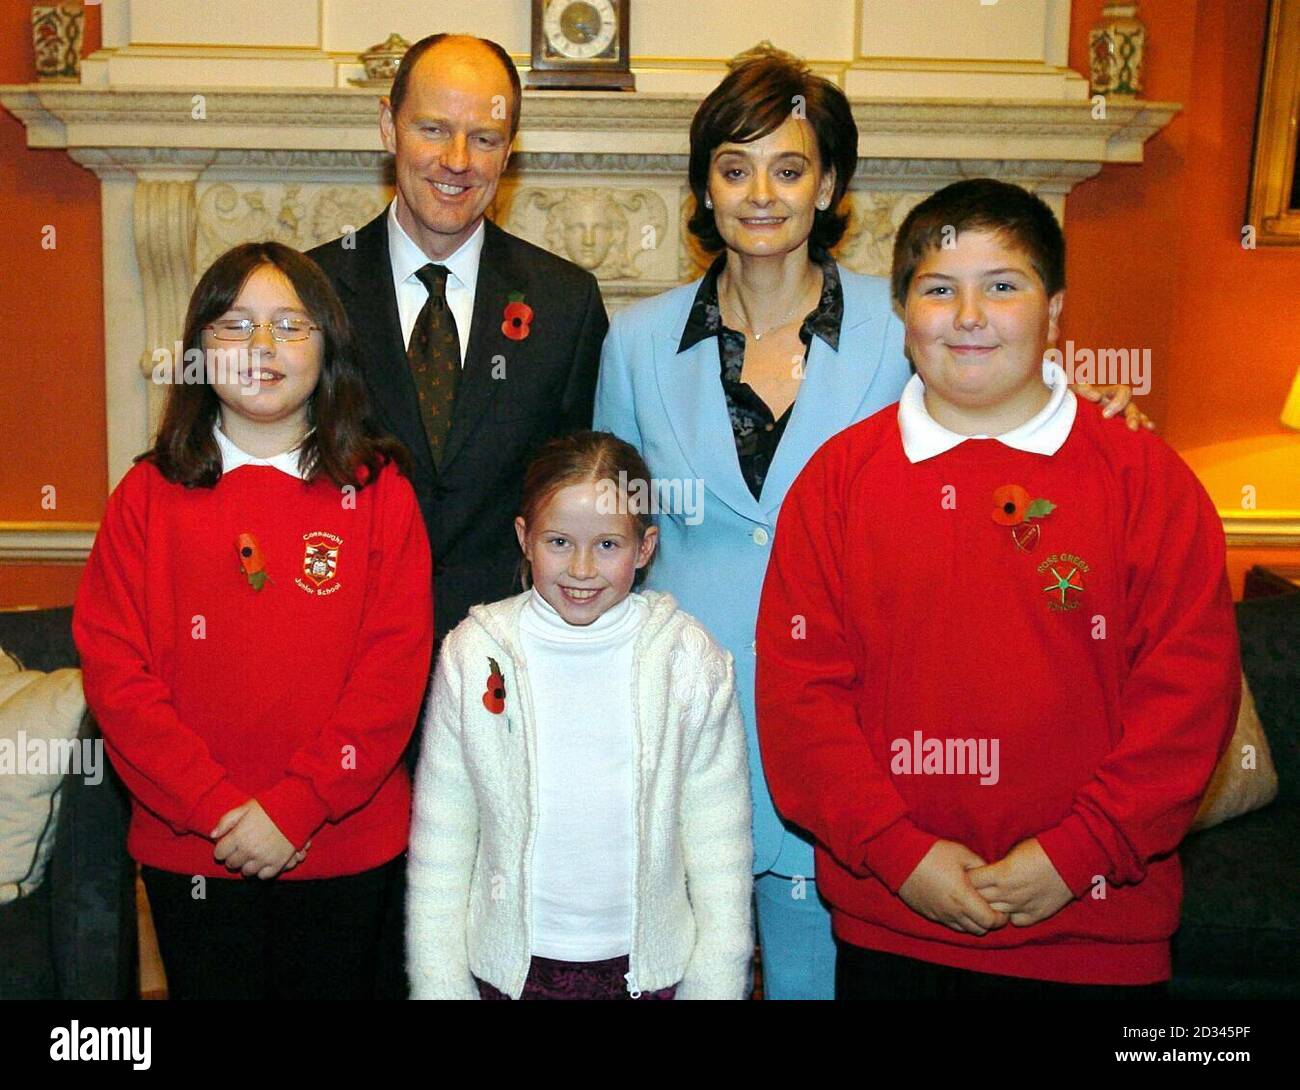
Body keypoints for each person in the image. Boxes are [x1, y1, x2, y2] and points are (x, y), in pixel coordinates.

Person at [593, 49, 1148, 999]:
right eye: (734, 168)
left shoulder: (914, 334)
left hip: (854, 750)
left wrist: (1103, 414)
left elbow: (1013, 423)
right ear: (704, 188)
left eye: (790, 167)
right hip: (682, 738)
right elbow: (613, 548)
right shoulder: (637, 343)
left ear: (831, 183)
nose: (761, 193)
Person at [755, 178, 1241, 999]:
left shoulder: (1146, 480)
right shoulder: (837, 482)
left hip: (1097, 935)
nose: (969, 316)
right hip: (892, 926)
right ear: (903, 316)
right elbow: (801, 698)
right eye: (939, 289)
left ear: (1054, 311)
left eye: (1002, 287)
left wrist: (1077, 854)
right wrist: (898, 853)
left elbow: (1189, 700)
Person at [73, 242, 433, 999]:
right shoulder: (145, 495)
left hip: (345, 846)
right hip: (194, 851)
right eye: (235, 325)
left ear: (328, 346)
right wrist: (213, 808)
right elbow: (116, 675)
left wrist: (299, 806)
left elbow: (392, 673)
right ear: (199, 349)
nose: (261, 348)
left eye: (289, 326)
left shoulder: (378, 492)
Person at [406, 431, 753, 1000]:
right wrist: (439, 984)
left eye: (609, 545)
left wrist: (714, 984)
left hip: (647, 977)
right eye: (560, 541)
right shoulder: (473, 654)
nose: (583, 568)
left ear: (645, 548)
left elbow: (721, 849)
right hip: (509, 976)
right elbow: (441, 843)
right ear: (525, 538)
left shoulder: (689, 660)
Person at [308, 33, 607, 647]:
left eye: (486, 138)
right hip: (337, 652)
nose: (458, 159)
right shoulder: (309, 294)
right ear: (388, 128)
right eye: (434, 130)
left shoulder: (564, 303)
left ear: (509, 152)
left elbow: (583, 501)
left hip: (510, 667)